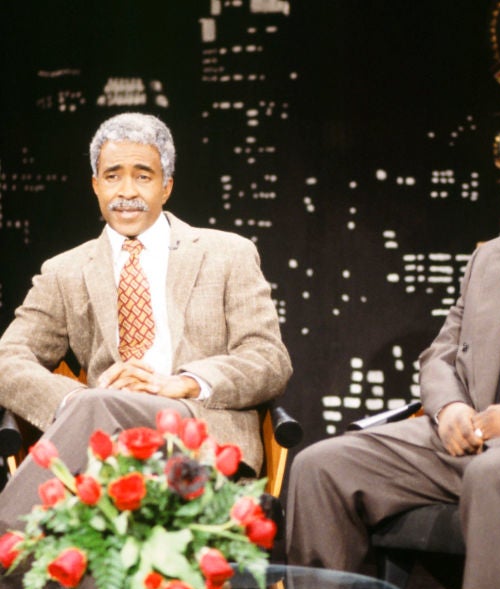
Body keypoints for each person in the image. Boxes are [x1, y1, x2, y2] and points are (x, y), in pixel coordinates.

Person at [287, 70, 500, 589]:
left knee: (496, 472)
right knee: (320, 466)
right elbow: (442, 351)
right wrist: (449, 405)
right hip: (464, 439)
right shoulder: (494, 255)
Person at [0, 112, 293, 532]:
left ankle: (7, 543)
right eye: (113, 176)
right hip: (102, 446)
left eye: (143, 176)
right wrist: (76, 402)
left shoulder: (228, 253)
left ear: (166, 186)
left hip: (198, 436)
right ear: (95, 185)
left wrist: (186, 381)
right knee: (96, 406)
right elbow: (8, 358)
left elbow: (268, 360)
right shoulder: (65, 270)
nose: (126, 192)